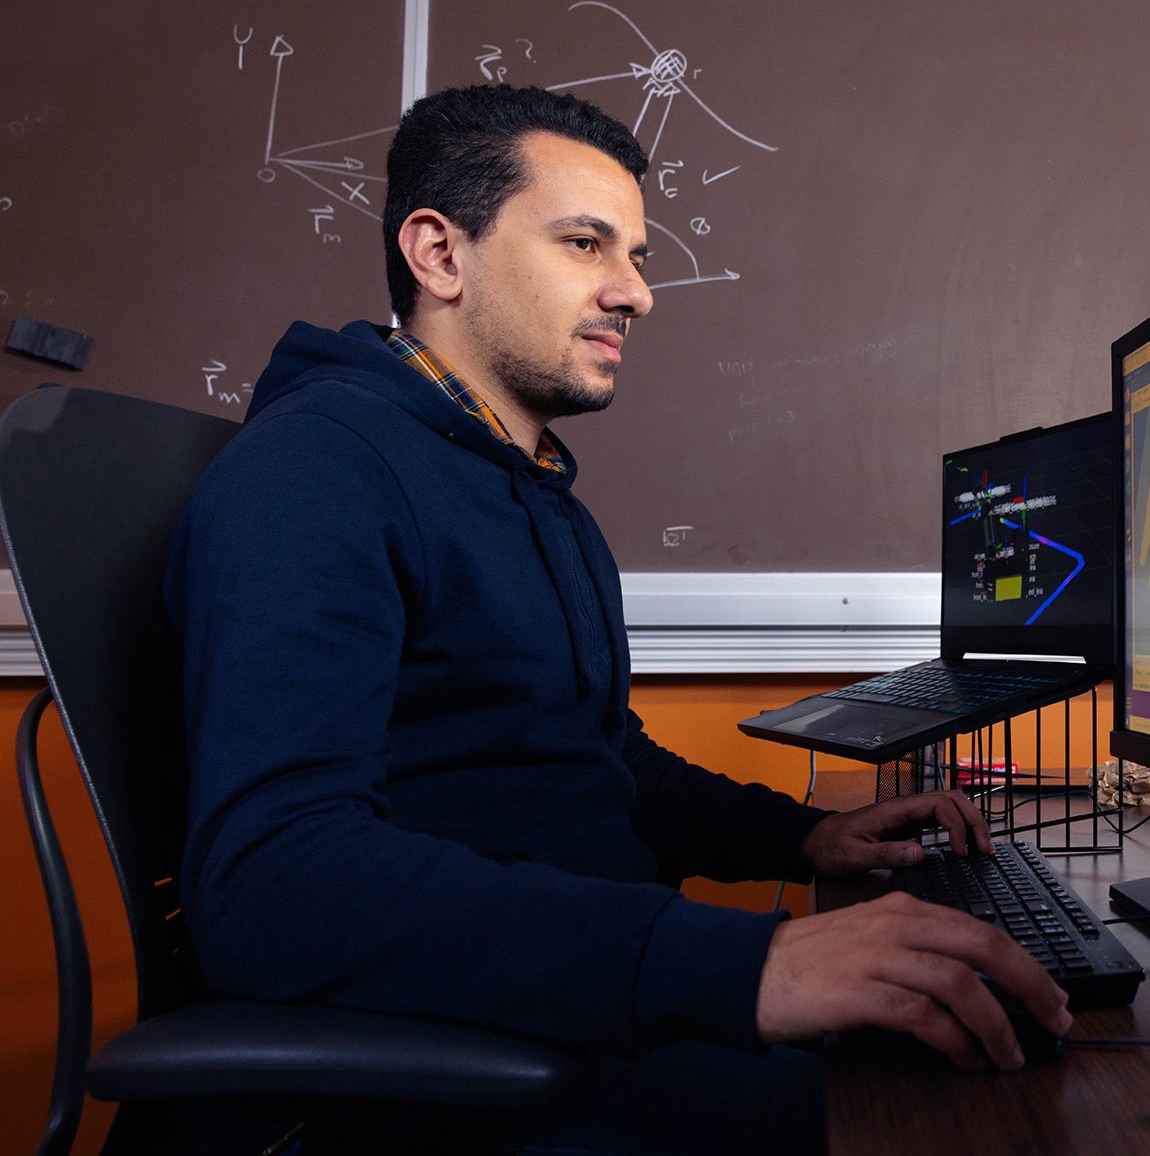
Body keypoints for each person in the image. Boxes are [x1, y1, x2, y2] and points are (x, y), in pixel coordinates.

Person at [164, 84, 1071, 1154]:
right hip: (454, 1076)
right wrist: (746, 964)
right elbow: (274, 883)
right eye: (587, 244)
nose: (635, 293)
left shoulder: (533, 489)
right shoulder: (317, 472)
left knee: (997, 1065)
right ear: (439, 254)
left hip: (577, 1010)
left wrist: (806, 836)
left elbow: (603, 763)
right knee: (976, 1118)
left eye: (635, 255)